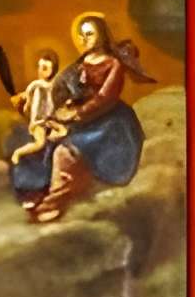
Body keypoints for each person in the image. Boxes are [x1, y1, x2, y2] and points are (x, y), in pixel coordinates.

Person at [12, 15, 148, 222]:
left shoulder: (113, 65)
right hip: (77, 117)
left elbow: (105, 98)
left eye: (89, 34)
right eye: (81, 35)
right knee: (42, 141)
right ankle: (36, 192)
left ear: (101, 36)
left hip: (108, 123)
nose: (84, 39)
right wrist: (34, 103)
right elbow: (60, 91)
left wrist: (75, 114)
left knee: (65, 153)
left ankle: (53, 203)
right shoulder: (80, 64)